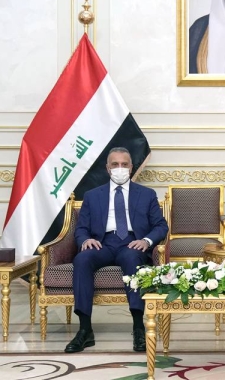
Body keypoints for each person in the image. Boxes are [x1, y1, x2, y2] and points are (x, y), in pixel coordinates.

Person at [64, 147, 169, 353]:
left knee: (132, 259)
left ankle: (139, 327)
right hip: (102, 243)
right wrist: (85, 239)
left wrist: (146, 241)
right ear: (107, 168)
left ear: (131, 168)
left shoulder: (147, 195)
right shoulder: (92, 196)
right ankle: (85, 330)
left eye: (124, 164)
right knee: (82, 259)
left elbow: (161, 226)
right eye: (115, 164)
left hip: (132, 243)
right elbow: (81, 228)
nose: (119, 168)